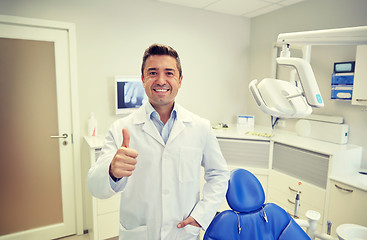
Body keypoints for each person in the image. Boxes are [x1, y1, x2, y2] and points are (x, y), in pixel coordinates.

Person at [87, 43, 229, 240]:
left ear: (180, 80)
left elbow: (219, 174)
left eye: (169, 73)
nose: (161, 80)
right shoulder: (121, 129)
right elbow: (95, 187)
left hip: (183, 232)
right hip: (139, 233)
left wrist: (201, 215)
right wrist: (111, 171)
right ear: (143, 79)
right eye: (152, 73)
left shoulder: (200, 127)